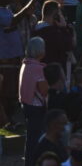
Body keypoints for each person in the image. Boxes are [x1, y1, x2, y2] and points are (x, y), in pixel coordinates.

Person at [19, 37, 47, 166]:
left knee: (30, 138)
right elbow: (43, 90)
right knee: (36, 138)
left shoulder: (25, 64)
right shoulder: (37, 68)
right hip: (36, 106)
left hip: (25, 104)